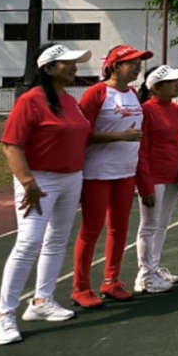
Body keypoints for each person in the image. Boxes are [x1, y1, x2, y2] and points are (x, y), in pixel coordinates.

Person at [0, 44, 92, 345]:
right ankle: (5, 316)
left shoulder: (69, 101)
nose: (75, 67)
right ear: (49, 68)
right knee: (28, 243)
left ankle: (41, 301)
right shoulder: (30, 101)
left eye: (75, 62)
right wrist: (27, 182)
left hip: (70, 178)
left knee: (56, 241)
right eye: (68, 63)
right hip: (39, 182)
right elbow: (11, 145)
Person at [73, 45, 152, 307]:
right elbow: (81, 133)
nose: (138, 66)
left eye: (140, 62)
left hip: (125, 172)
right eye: (133, 62)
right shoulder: (97, 93)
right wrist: (119, 136)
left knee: (119, 228)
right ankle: (81, 287)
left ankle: (111, 281)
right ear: (116, 66)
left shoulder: (131, 93)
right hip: (98, 172)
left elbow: (138, 139)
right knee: (91, 230)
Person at [134, 65, 178, 293]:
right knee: (148, 225)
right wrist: (145, 184)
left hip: (171, 175)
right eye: (171, 81)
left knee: (162, 224)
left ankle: (154, 268)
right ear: (155, 88)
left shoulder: (175, 110)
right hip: (153, 176)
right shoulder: (145, 111)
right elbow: (141, 150)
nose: (177, 84)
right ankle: (144, 275)